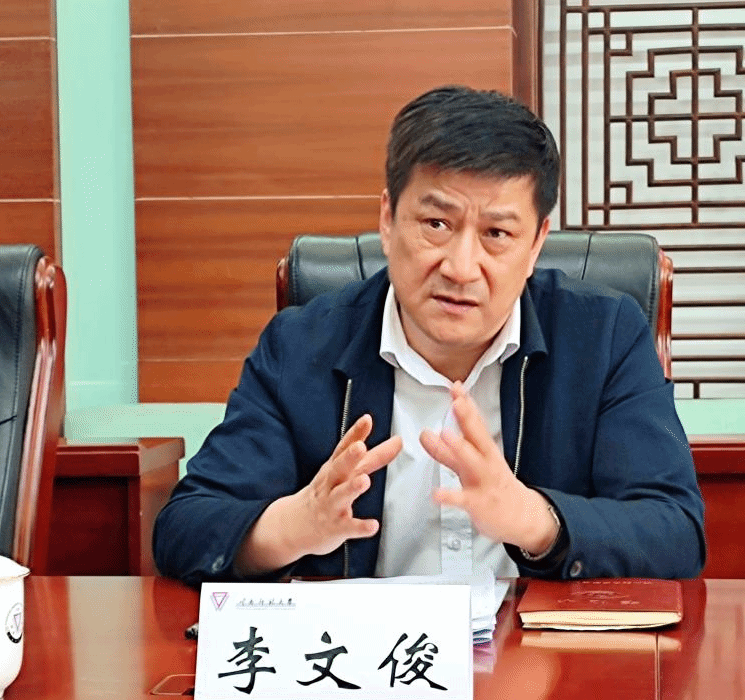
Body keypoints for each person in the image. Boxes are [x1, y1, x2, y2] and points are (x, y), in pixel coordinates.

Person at [153, 85, 705, 586]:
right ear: (388, 219)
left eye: (496, 233)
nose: (461, 268)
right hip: (364, 659)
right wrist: (293, 525)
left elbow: (676, 531)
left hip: (534, 659)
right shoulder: (301, 347)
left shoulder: (604, 339)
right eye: (436, 224)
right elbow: (185, 527)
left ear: (536, 243)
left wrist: (536, 520)